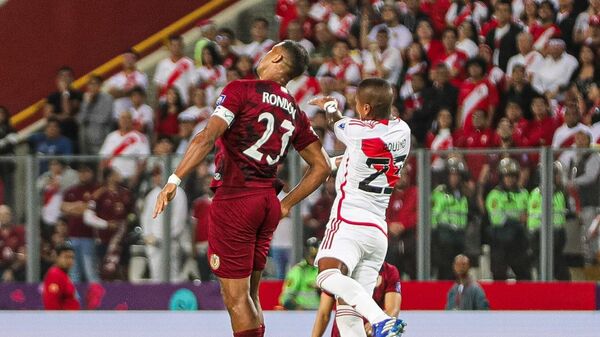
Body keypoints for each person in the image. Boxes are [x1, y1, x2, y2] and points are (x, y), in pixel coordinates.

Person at [153, 40, 330, 337]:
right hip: (266, 202)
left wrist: (174, 179)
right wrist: (285, 204)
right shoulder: (295, 111)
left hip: (236, 199)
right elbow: (323, 166)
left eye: (269, 50)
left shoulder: (241, 90)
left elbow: (206, 137)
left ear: (276, 57)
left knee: (235, 299)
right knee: (250, 294)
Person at [309, 78, 408, 337]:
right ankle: (378, 320)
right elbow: (361, 152)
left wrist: (330, 104)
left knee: (325, 276)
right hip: (377, 231)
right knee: (348, 316)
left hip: (349, 222)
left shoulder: (357, 132)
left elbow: (334, 122)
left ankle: (380, 318)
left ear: (364, 110)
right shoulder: (403, 132)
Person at [312, 262, 402, 337]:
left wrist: (376, 322)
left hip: (371, 334)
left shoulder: (389, 271)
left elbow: (393, 309)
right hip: (342, 333)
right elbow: (324, 313)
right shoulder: (341, 270)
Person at [84, 168, 134, 281]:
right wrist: (106, 224)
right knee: (106, 272)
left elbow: (132, 214)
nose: (120, 175)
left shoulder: (126, 193)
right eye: (116, 173)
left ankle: (127, 297)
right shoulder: (98, 194)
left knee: (124, 271)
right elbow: (87, 217)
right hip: (104, 240)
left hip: (122, 240)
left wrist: (128, 221)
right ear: (109, 177)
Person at [485, 158, 531, 280]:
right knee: (499, 276)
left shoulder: (524, 194)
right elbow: (497, 219)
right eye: (507, 176)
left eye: (512, 176)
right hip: (500, 240)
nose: (510, 179)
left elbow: (528, 216)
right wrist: (517, 220)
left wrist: (516, 219)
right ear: (501, 177)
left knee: (525, 276)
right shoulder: (494, 195)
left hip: (519, 241)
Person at [141, 166, 188, 282]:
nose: (156, 178)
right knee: (156, 276)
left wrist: (166, 237)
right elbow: (146, 217)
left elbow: (179, 220)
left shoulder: (179, 193)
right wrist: (147, 235)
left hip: (171, 242)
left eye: (158, 174)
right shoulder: (152, 194)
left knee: (173, 276)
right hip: (154, 243)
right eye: (154, 175)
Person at [528, 161, 571, 280]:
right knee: (543, 270)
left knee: (563, 274)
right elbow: (534, 217)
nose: (558, 177)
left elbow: (564, 213)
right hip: (539, 235)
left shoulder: (559, 194)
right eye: (556, 174)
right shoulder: (536, 194)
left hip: (557, 235)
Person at [60, 162, 100, 283]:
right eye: (81, 172)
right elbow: (62, 207)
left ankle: (97, 299)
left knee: (90, 270)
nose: (83, 174)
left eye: (86, 171)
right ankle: (74, 299)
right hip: (73, 235)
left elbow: (90, 209)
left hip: (89, 235)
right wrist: (80, 207)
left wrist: (74, 208)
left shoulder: (96, 189)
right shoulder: (71, 190)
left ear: (92, 173)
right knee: (74, 271)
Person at [431, 158, 470, 280]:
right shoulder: (440, 193)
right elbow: (433, 216)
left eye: (457, 175)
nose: (455, 178)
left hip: (460, 236)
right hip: (443, 237)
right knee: (445, 271)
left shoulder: (463, 195)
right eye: (452, 175)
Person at [567, 129, 600, 265]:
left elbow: (591, 176)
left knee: (593, 235)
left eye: (582, 138)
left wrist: (573, 182)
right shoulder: (574, 158)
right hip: (579, 204)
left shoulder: (594, 156)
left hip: (592, 203)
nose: (579, 141)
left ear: (588, 140)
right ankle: (589, 265)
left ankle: (595, 265)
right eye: (577, 138)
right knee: (583, 238)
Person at [99, 110, 150, 187]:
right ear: (119, 120)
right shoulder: (111, 136)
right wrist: (102, 178)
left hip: (129, 178)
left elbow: (143, 161)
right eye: (122, 118)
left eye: (128, 118)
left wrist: (135, 178)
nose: (125, 121)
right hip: (111, 180)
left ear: (132, 120)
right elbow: (103, 159)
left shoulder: (140, 137)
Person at [279, 237, 321, 310]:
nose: (313, 259)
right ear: (306, 254)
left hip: (320, 314)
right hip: (301, 314)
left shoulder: (324, 271)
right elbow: (285, 298)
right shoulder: (298, 271)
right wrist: (299, 309)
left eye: (315, 256)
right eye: (311, 255)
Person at [153, 35, 195, 105]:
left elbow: (192, 85)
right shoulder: (162, 64)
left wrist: (190, 102)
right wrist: (157, 103)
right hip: (165, 103)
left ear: (182, 46)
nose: (176, 48)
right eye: (173, 45)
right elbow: (159, 86)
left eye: (178, 45)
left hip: (183, 102)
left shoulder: (189, 63)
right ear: (169, 47)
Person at [105, 50, 149, 115]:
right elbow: (111, 94)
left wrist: (119, 93)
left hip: (136, 116)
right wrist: (131, 92)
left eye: (131, 57)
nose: (128, 60)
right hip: (118, 116)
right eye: (126, 57)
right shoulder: (115, 77)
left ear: (135, 60)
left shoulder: (142, 76)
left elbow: (139, 91)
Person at [78, 75, 114, 154]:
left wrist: (88, 117)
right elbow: (79, 120)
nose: (92, 87)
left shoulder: (108, 98)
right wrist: (87, 104)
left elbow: (104, 118)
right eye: (90, 84)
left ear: (100, 85)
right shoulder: (86, 98)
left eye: (95, 84)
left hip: (102, 136)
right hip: (87, 139)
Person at [484, 0, 522, 72]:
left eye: (505, 10)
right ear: (495, 13)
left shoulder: (517, 32)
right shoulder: (490, 33)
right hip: (492, 71)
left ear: (510, 13)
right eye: (499, 10)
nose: (501, 13)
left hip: (509, 71)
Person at [42, 243, 80, 310]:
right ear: (57, 257)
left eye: (72, 257)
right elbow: (51, 302)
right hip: (62, 319)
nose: (70, 260)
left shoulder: (64, 275)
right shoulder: (55, 275)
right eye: (66, 257)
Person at [0, 205, 25, 282]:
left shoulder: (19, 231)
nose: (4, 217)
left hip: (15, 267)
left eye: (6, 214)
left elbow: (23, 255)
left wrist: (11, 270)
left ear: (11, 216)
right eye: (1, 215)